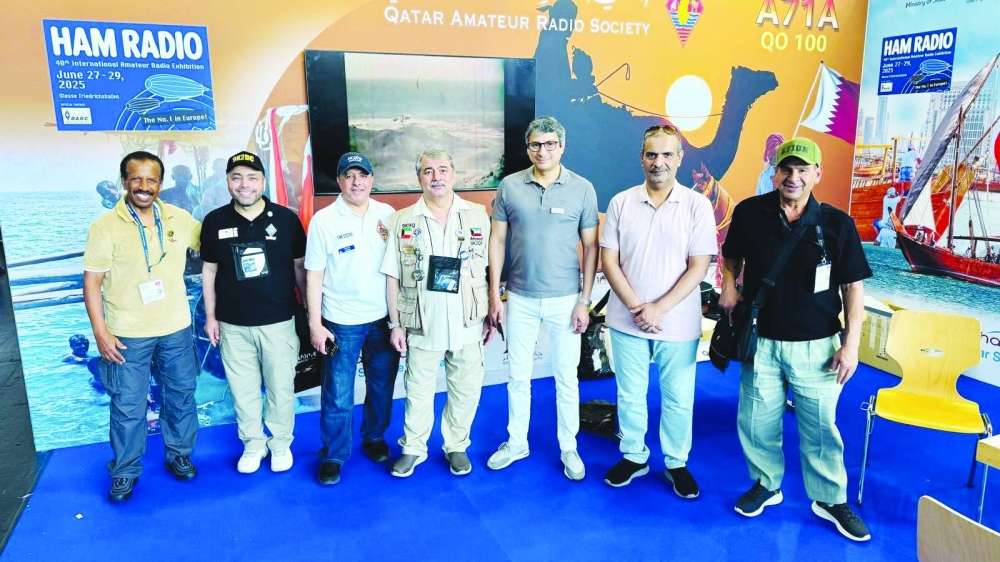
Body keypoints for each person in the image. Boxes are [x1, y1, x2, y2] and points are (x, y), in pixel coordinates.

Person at [720, 138, 873, 541]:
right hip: (761, 342)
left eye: (803, 170)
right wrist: (730, 284)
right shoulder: (750, 212)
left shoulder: (838, 224)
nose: (794, 177)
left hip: (818, 346)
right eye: (787, 169)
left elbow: (853, 288)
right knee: (757, 420)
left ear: (817, 174)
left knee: (821, 428)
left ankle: (829, 499)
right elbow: (731, 255)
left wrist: (851, 345)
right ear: (775, 172)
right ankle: (766, 484)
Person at [599, 124, 717, 497]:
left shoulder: (697, 205)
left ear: (680, 158)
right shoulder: (621, 202)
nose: (659, 162)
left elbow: (699, 266)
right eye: (652, 154)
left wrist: (658, 308)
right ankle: (634, 456)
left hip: (678, 323)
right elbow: (609, 261)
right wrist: (638, 308)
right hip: (626, 320)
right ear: (641, 158)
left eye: (667, 154)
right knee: (630, 394)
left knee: (678, 398)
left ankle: (676, 462)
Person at [82, 150, 202, 503]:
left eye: (151, 180)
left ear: (160, 184)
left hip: (176, 327)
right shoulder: (105, 226)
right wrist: (100, 333)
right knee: (128, 405)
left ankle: (179, 453)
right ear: (124, 182)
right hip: (127, 334)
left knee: (180, 394)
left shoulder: (180, 218)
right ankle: (125, 470)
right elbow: (92, 283)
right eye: (136, 179)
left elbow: (213, 246)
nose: (144, 186)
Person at [486, 116, 599, 481]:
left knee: (566, 377)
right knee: (518, 376)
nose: (543, 151)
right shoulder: (509, 186)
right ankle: (517, 442)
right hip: (519, 296)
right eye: (536, 144)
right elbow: (497, 240)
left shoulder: (582, 189)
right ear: (528, 147)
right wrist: (494, 293)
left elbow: (591, 247)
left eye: (550, 144)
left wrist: (585, 300)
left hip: (566, 300)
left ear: (561, 147)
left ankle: (569, 447)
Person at [380, 148, 495, 478]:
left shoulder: (477, 215)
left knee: (465, 389)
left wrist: (492, 311)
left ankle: (456, 445)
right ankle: (413, 448)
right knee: (417, 390)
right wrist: (395, 324)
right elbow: (392, 276)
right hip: (421, 320)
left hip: (467, 319)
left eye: (443, 169)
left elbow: (490, 268)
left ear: (454, 174)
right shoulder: (401, 220)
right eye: (428, 171)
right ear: (419, 178)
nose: (436, 177)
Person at [200, 151, 307, 474]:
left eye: (251, 177)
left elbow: (300, 268)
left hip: (278, 322)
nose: (244, 184)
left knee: (280, 389)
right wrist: (211, 317)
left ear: (263, 181)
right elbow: (209, 271)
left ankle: (280, 444)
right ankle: (253, 444)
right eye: (236, 177)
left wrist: (306, 311)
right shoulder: (215, 221)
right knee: (243, 391)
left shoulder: (286, 220)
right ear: (228, 182)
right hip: (233, 325)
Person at [305, 152, 400, 486]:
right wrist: (315, 324)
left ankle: (374, 436)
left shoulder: (387, 215)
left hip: (382, 319)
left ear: (372, 180)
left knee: (381, 386)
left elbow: (396, 270)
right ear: (339, 181)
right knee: (337, 393)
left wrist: (397, 320)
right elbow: (314, 275)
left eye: (363, 175)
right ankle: (333, 454)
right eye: (349, 176)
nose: (356, 182)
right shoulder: (324, 220)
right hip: (340, 323)